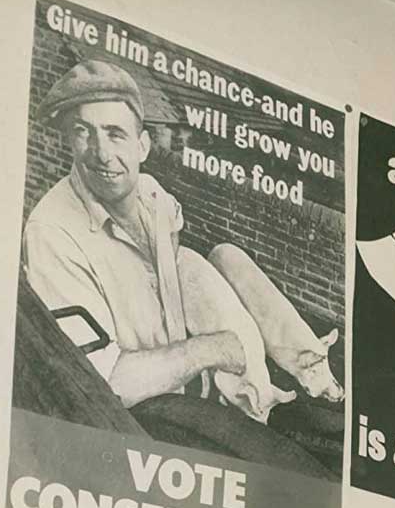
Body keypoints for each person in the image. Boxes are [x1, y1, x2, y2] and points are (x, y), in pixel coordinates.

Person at [23, 60, 247, 409]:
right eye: (83, 132)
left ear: (142, 146)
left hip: (196, 397)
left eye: (115, 133)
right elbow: (104, 382)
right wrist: (210, 348)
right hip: (141, 418)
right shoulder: (51, 233)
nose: (101, 154)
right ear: (69, 140)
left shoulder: (154, 197)